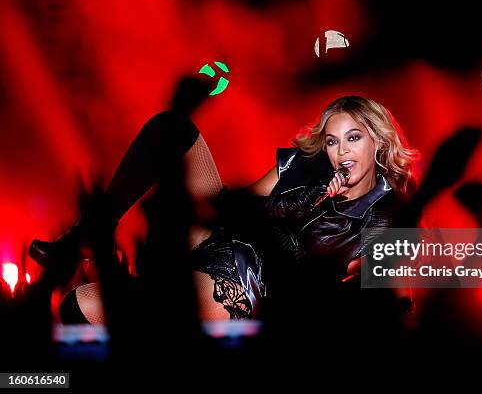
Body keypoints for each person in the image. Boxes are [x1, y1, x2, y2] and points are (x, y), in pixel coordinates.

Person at [29, 95, 420, 323]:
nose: (341, 150)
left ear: (379, 143)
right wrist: (313, 190)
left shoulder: (388, 211)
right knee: (173, 127)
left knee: (78, 306)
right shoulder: (311, 165)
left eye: (353, 138)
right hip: (221, 236)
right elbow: (242, 201)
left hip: (246, 282)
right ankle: (83, 239)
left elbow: (387, 293)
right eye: (333, 141)